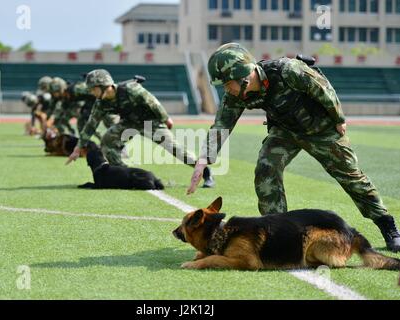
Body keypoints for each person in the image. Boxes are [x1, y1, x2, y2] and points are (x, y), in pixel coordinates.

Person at [187, 43, 400, 252]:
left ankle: (387, 226)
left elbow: (322, 88)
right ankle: (277, 234)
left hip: (321, 130)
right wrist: (205, 158)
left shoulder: (287, 71)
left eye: (227, 83)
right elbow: (222, 124)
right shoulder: (236, 96)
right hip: (285, 132)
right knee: (266, 168)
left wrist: (338, 118)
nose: (226, 89)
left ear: (243, 75)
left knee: (351, 177)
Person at [66, 69, 215, 188]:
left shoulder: (131, 89)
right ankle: (124, 173)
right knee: (107, 140)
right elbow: (91, 124)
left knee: (175, 149)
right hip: (130, 123)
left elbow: (152, 102)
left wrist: (165, 118)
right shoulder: (101, 103)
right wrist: (78, 148)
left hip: (151, 123)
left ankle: (206, 172)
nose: (91, 93)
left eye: (93, 89)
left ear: (104, 85)